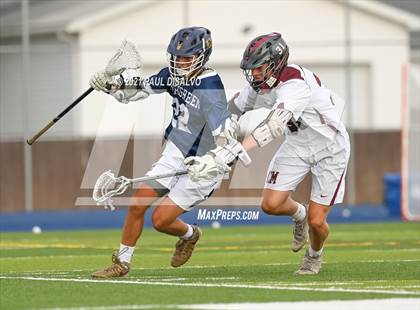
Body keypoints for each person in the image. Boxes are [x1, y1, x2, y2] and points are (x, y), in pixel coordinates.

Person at [88, 27, 249, 278]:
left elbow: (225, 134)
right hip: (175, 152)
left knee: (161, 220)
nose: (179, 63)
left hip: (203, 165)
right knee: (137, 202)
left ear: (202, 57)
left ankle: (190, 234)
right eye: (176, 57)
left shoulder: (210, 88)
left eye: (186, 58)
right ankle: (122, 263)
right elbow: (137, 89)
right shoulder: (173, 75)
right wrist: (109, 84)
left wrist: (214, 160)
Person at [185, 32, 350, 275]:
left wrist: (231, 153)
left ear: (276, 63)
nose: (254, 74)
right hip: (297, 145)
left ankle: (314, 257)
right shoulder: (260, 86)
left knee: (318, 221)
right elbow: (231, 111)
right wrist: (210, 143)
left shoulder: (296, 84)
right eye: (252, 69)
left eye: (259, 68)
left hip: (330, 148)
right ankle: (299, 215)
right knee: (271, 205)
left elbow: (274, 126)